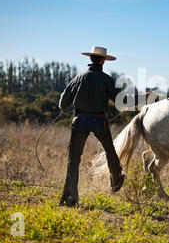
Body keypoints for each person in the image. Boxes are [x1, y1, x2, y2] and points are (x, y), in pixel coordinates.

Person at [58, 46, 150, 207]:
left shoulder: (79, 77)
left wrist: (63, 107)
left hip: (80, 121)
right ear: (102, 61)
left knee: (74, 159)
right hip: (100, 121)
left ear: (91, 59)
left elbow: (64, 99)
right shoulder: (106, 79)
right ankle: (117, 180)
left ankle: (70, 197)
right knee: (110, 151)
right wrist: (142, 98)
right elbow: (123, 100)